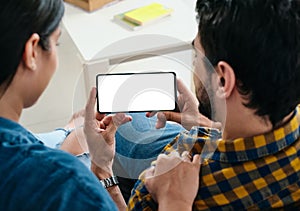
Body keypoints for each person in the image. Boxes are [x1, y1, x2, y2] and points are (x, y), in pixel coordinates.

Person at [0, 0, 201, 210]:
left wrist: (67, 134)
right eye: (56, 43)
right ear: (32, 51)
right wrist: (101, 169)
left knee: (107, 123)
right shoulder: (69, 184)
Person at [126, 0, 300, 210]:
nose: (195, 65)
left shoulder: (156, 193)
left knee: (86, 135)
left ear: (223, 80)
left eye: (197, 56)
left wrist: (103, 175)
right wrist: (213, 126)